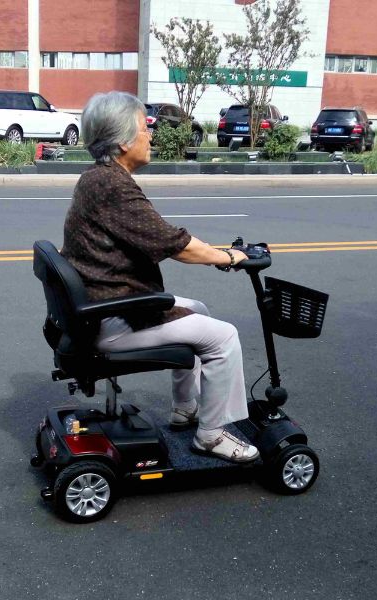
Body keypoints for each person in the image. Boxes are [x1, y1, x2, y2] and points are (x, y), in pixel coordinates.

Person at [61, 91, 258, 464]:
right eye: (144, 128)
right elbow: (175, 245)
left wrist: (217, 251)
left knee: (198, 309)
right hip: (113, 317)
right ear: (122, 141)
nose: (150, 135)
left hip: (100, 305)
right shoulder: (112, 186)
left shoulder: (97, 178)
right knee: (223, 336)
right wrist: (229, 256)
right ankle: (211, 436)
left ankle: (185, 409)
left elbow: (159, 236)